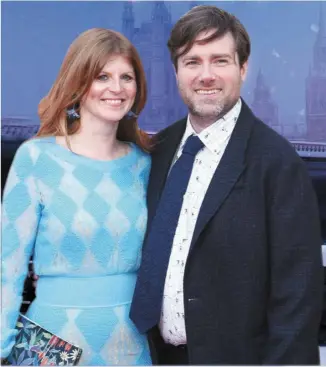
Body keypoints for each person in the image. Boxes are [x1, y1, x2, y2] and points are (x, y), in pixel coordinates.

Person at [130, 5, 324, 365]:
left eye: (220, 60)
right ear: (175, 72)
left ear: (243, 68)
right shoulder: (158, 151)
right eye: (192, 62)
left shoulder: (277, 162)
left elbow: (297, 301)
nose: (206, 75)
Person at [1, 28, 153, 366]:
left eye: (126, 77)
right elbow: (6, 267)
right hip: (49, 344)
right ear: (78, 83)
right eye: (102, 76)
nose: (116, 88)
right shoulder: (36, 159)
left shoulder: (144, 165)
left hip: (130, 344)